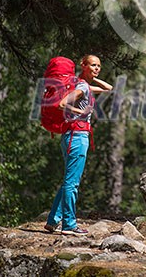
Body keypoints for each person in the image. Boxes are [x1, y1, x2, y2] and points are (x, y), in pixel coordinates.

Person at [44, 54, 113, 235]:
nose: (97, 68)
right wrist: (81, 111)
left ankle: (53, 220)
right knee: (72, 183)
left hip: (73, 135)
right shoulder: (81, 86)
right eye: (93, 65)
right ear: (83, 65)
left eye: (99, 66)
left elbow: (108, 88)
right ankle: (69, 224)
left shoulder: (82, 85)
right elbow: (62, 104)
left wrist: (93, 76)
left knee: (69, 180)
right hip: (77, 135)